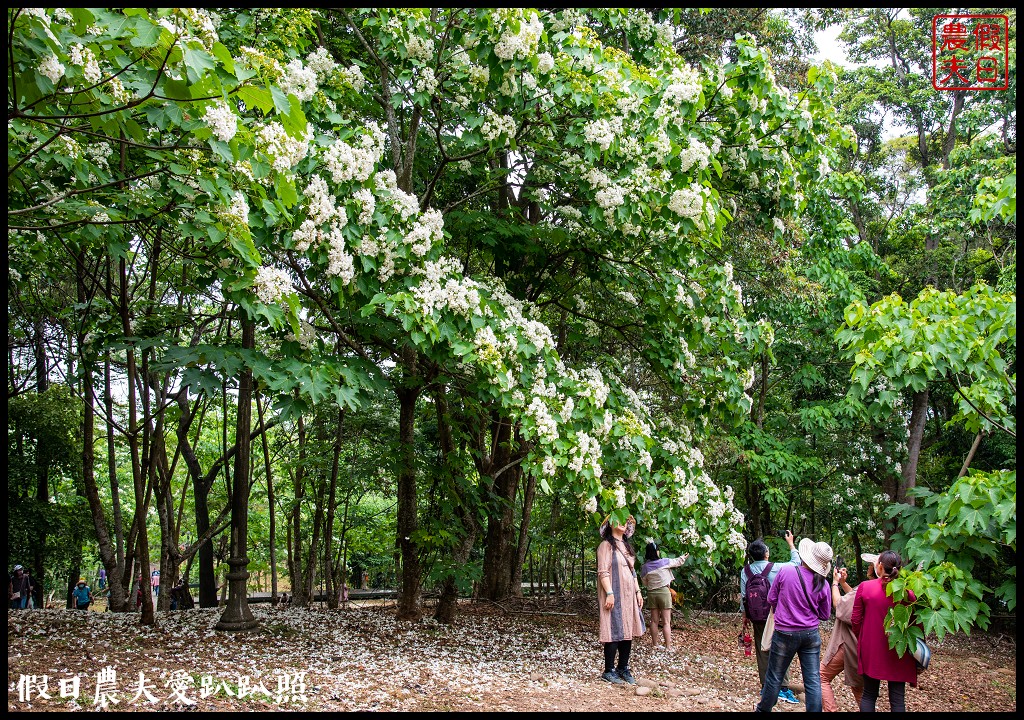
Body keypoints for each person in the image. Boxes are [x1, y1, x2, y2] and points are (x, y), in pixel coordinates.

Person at [754, 537, 834, 713]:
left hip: (784, 632)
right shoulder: (823, 584)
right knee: (812, 680)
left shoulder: (786, 572)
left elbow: (771, 599)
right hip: (810, 634)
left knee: (774, 676)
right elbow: (824, 614)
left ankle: (762, 710)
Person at [852, 550, 918, 712]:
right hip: (898, 647)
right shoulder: (908, 593)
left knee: (869, 694)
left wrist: (863, 636)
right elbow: (917, 624)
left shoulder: (865, 588)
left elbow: (855, 620)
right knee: (897, 699)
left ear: (880, 566)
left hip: (872, 645)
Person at [740, 531, 801, 705]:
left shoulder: (745, 571)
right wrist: (790, 544)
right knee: (782, 648)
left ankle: (766, 684)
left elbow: (744, 595)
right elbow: (796, 563)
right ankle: (782, 687)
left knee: (762, 648)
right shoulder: (777, 567)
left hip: (757, 616)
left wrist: (745, 616)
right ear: (766, 553)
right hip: (776, 615)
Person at [820, 552, 877, 712]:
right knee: (859, 687)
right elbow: (857, 603)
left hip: (848, 642)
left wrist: (835, 584)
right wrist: (844, 583)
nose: (868, 566)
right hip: (866, 646)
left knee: (821, 676)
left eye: (871, 564)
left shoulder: (866, 587)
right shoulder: (882, 589)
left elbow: (840, 606)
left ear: (877, 568)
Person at [596, 514, 645, 685]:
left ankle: (623, 667)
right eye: (619, 519)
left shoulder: (626, 547)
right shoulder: (605, 546)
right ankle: (608, 670)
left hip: (629, 594)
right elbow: (603, 571)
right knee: (614, 629)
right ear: (610, 525)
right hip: (614, 593)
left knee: (627, 629)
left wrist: (638, 592)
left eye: (626, 521)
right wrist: (609, 593)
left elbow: (633, 573)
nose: (623, 523)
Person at [640, 541, 688, 652]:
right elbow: (678, 561)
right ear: (657, 552)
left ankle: (655, 644)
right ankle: (668, 646)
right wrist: (684, 556)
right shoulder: (664, 562)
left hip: (652, 593)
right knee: (666, 621)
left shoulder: (645, 567)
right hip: (664, 592)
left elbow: (644, 582)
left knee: (654, 621)